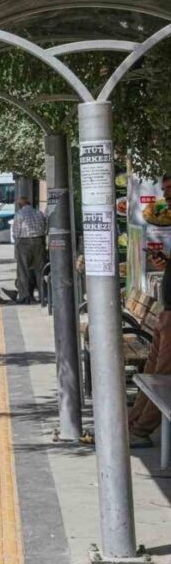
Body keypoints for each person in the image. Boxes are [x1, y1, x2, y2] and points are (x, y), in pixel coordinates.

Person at [128, 175, 171, 447]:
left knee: (163, 377)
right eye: (165, 191)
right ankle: (132, 424)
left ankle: (141, 430)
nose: (167, 196)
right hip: (165, 313)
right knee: (151, 373)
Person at [11, 196, 48, 304]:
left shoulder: (19, 215)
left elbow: (16, 232)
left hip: (24, 243)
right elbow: (44, 227)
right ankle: (43, 296)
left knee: (23, 270)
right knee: (40, 270)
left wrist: (17, 245)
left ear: (20, 205)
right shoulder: (38, 213)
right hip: (39, 242)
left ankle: (25, 296)